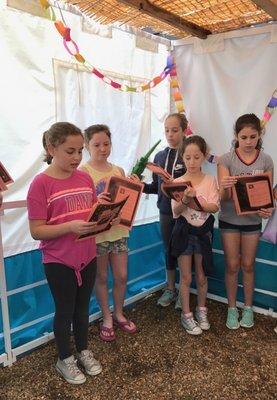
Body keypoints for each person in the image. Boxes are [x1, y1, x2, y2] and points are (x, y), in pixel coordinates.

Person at [27, 122, 105, 385]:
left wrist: (104, 211)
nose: (76, 158)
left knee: (83, 308)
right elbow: (36, 231)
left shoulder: (84, 178)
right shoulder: (40, 184)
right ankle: (65, 358)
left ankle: (83, 350)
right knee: (64, 310)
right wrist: (69, 227)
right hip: (59, 260)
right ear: (51, 148)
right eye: (70, 151)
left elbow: (92, 210)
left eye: (80, 151)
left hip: (88, 255)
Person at [217, 114, 274, 330]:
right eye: (244, 137)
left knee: (248, 265)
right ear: (236, 136)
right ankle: (232, 308)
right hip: (229, 220)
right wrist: (225, 185)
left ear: (260, 135)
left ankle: (248, 307)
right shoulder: (226, 159)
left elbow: (267, 196)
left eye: (253, 136)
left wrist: (267, 209)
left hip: (252, 222)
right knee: (232, 265)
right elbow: (222, 198)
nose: (249, 141)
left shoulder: (266, 160)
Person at [82, 124, 137, 342]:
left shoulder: (118, 171)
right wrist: (97, 205)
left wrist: (134, 189)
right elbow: (83, 208)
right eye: (97, 145)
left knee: (122, 276)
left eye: (106, 143)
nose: (103, 149)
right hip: (98, 235)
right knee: (102, 276)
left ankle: (119, 313)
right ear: (87, 146)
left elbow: (126, 202)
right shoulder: (83, 173)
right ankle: (106, 317)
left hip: (119, 230)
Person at [170, 135, 219, 335]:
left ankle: (202, 310)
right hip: (183, 233)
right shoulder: (178, 182)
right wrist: (184, 200)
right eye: (187, 157)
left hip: (203, 233)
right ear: (182, 157)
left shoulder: (210, 180)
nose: (192, 162)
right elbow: (175, 211)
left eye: (196, 157)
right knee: (186, 276)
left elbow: (214, 206)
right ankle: (186, 314)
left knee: (201, 274)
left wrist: (194, 200)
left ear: (203, 157)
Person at [143, 113, 187, 307]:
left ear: (184, 131)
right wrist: (139, 185)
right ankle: (170, 288)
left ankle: (184, 291)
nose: (170, 134)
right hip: (165, 212)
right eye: (167, 130)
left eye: (174, 130)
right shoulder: (160, 156)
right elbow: (155, 186)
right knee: (169, 249)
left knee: (185, 250)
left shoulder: (189, 154)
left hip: (186, 211)